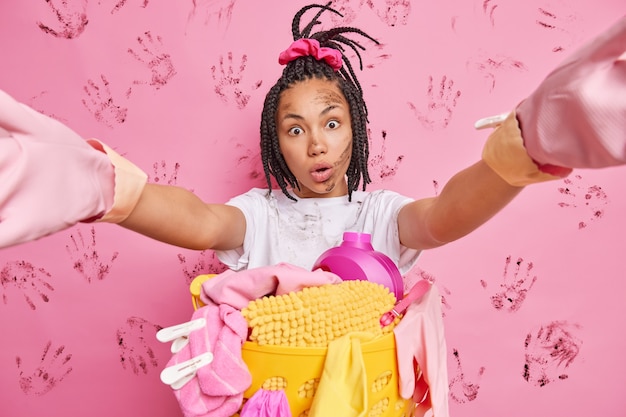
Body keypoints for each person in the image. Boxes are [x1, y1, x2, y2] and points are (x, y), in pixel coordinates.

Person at [0, 4, 624, 275]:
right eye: (294, 131)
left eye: (331, 123)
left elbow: (442, 217)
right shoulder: (260, 217)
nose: (316, 145)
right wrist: (110, 191)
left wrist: (521, 153)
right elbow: (197, 219)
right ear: (275, 147)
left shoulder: (380, 215)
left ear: (356, 129)